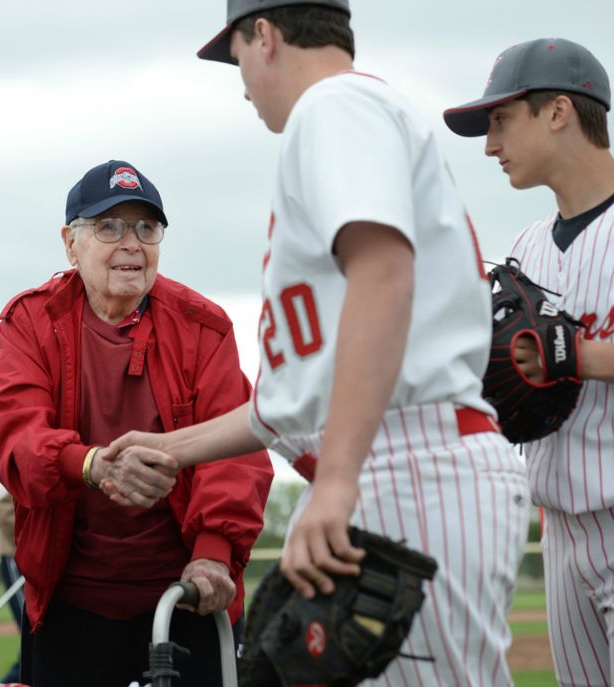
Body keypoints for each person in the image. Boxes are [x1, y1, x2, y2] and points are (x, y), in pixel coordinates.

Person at [104, 3, 531, 685]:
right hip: (384, 459)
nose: (242, 81)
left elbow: (384, 271)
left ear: (266, 36)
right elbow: (288, 405)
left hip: (404, 462)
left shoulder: (334, 106)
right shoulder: (341, 117)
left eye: (238, 55)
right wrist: (168, 447)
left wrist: (337, 481)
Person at [0, 159, 273, 687]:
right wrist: (92, 465)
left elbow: (237, 452)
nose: (132, 244)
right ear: (71, 243)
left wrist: (214, 555)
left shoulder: (202, 326)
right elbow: (15, 437)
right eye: (109, 227)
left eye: (147, 227)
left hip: (186, 601)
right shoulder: (31, 321)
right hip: (69, 601)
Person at [444, 38, 614, 687]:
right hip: (561, 534)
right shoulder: (526, 249)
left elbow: (559, 357)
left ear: (560, 111)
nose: (489, 145)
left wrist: (572, 353)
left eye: (500, 120)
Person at [0, 479, 24, 683]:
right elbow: (4, 512)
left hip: (46, 559)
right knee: (35, 638)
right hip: (17, 555)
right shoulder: (7, 461)